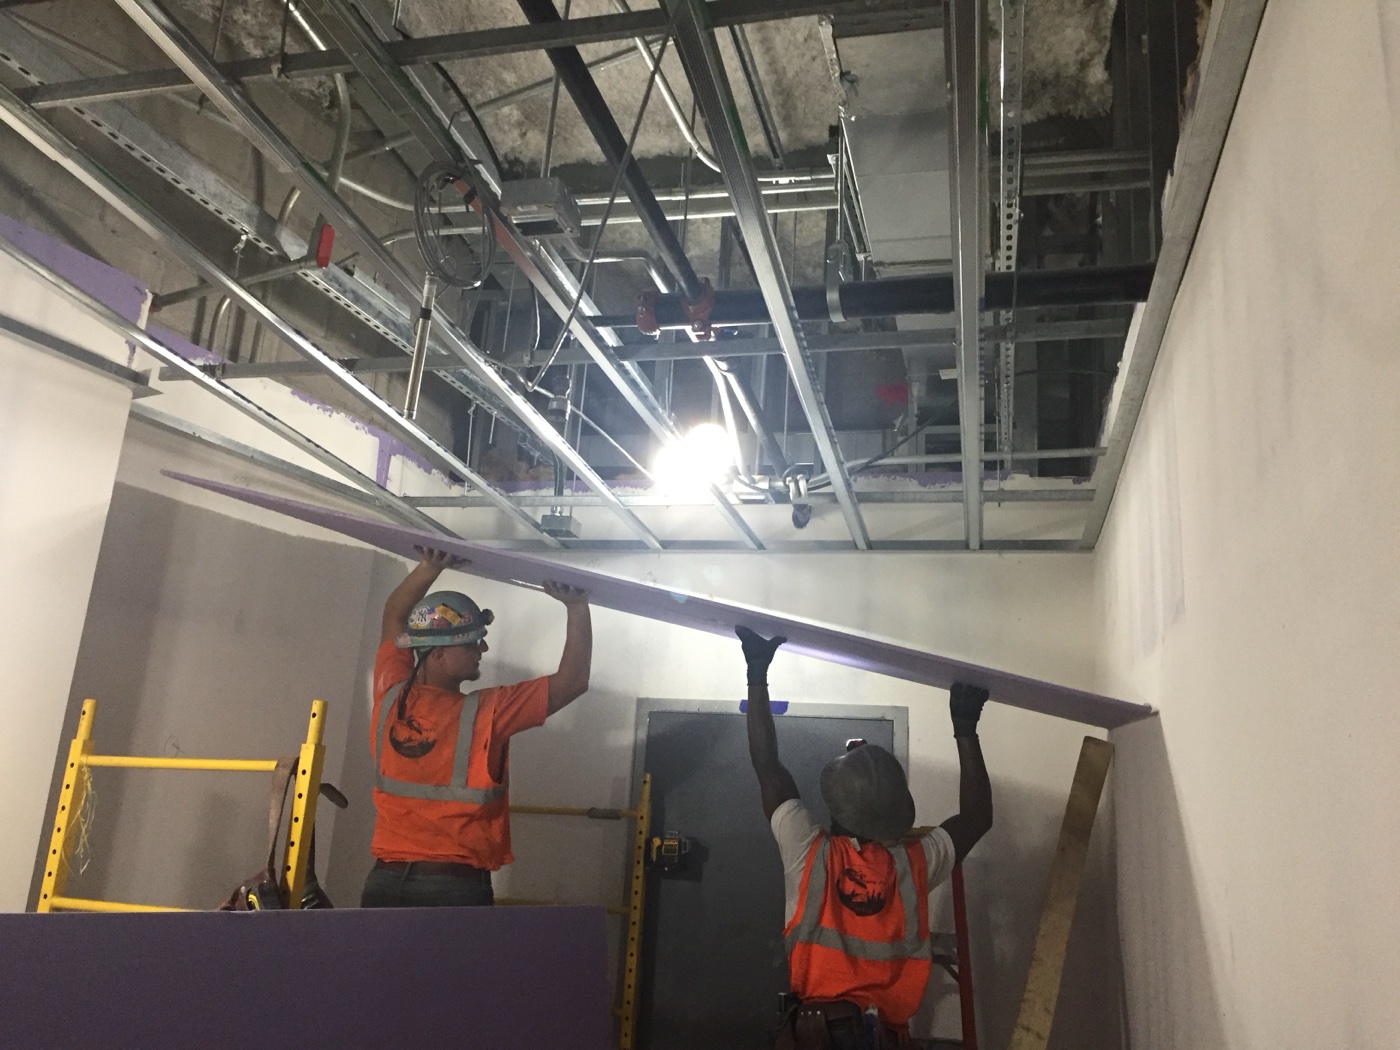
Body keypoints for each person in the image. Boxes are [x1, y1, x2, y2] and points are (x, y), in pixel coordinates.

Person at [736, 626, 994, 1050]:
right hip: (885, 1040)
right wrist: (965, 728)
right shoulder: (912, 866)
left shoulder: (808, 852)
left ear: (836, 808)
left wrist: (757, 673)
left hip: (818, 1037)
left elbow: (768, 767)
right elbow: (977, 817)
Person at [360, 547, 591, 908]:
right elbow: (572, 681)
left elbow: (395, 614)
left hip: (384, 882)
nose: (481, 648)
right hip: (452, 887)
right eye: (470, 642)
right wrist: (576, 608)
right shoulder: (489, 712)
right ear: (438, 655)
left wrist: (430, 566)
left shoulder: (389, 693)